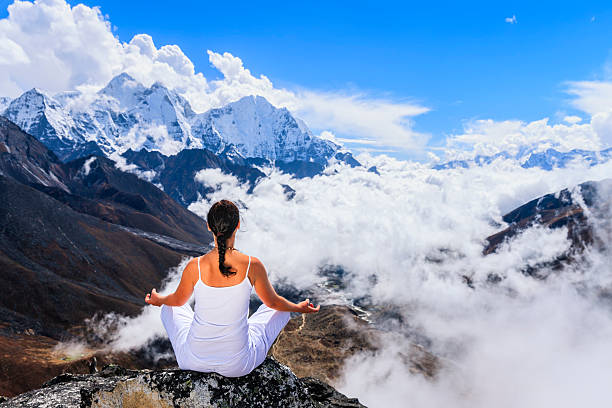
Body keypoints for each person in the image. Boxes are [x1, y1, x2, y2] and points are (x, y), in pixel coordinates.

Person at [144, 199, 320, 377]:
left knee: (170, 305)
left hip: (193, 361)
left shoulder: (194, 266)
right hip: (237, 365)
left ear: (208, 227)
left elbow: (177, 301)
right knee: (280, 308)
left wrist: (159, 301)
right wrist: (298, 308)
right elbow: (274, 303)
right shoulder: (253, 264)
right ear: (238, 225)